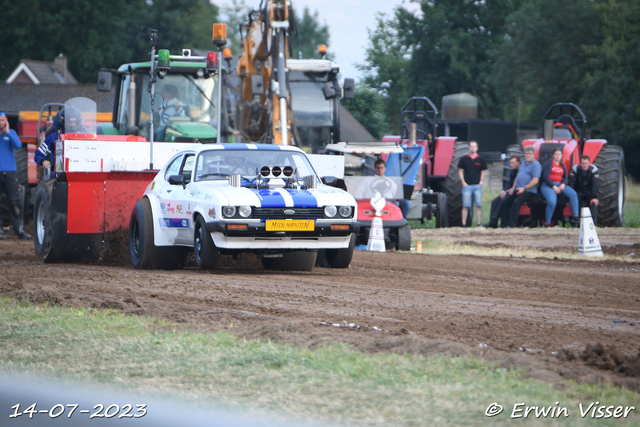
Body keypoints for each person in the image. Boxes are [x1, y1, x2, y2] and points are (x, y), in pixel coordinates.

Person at [0, 112, 32, 239]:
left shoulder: (11, 133)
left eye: (2, 120)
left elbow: (18, 145)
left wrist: (7, 131)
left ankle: (19, 230)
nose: (0, 123)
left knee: (14, 201)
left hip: (10, 171)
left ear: (6, 121)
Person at [500, 145, 542, 228]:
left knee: (516, 202)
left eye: (530, 153)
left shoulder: (536, 165)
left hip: (529, 191)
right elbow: (517, 176)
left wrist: (524, 188)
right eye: (526, 153)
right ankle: (503, 224)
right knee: (505, 201)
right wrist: (513, 187)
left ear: (534, 154)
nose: (528, 155)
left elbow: (535, 180)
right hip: (518, 189)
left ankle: (512, 225)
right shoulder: (523, 163)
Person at [35, 107, 84, 172]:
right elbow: (38, 154)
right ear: (62, 122)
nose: (72, 124)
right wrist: (44, 161)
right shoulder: (54, 137)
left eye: (74, 122)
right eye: (69, 122)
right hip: (59, 176)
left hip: (82, 173)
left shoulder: (85, 136)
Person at [540, 148, 579, 226]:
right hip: (548, 185)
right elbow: (545, 177)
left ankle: (575, 216)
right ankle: (547, 223)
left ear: (561, 156)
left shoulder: (562, 165)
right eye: (556, 154)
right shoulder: (548, 163)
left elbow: (565, 177)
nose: (558, 156)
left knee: (573, 194)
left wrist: (563, 184)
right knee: (552, 202)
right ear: (553, 155)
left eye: (559, 154)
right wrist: (554, 187)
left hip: (559, 184)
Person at [483, 155, 520, 228]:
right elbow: (509, 183)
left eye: (513, 162)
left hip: (517, 191)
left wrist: (511, 189)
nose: (511, 164)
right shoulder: (512, 171)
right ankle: (493, 223)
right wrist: (504, 191)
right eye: (510, 162)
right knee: (495, 202)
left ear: (518, 162)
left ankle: (499, 221)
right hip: (510, 191)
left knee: (504, 201)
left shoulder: (521, 171)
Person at [457, 140, 487, 227]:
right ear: (468, 148)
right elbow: (460, 171)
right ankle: (463, 224)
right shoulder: (463, 159)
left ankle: (478, 224)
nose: (472, 148)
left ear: (477, 148)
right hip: (467, 186)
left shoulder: (481, 159)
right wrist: (463, 182)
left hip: (477, 186)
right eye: (471, 146)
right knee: (465, 205)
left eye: (474, 146)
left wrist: (480, 182)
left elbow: (483, 171)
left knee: (478, 205)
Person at [570, 155, 599, 225]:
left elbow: (595, 184)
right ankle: (575, 223)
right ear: (580, 163)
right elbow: (572, 183)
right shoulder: (575, 169)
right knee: (576, 201)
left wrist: (594, 197)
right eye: (583, 163)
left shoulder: (593, 170)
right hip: (578, 190)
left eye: (586, 163)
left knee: (593, 203)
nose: (584, 165)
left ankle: (593, 223)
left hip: (589, 191)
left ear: (589, 163)